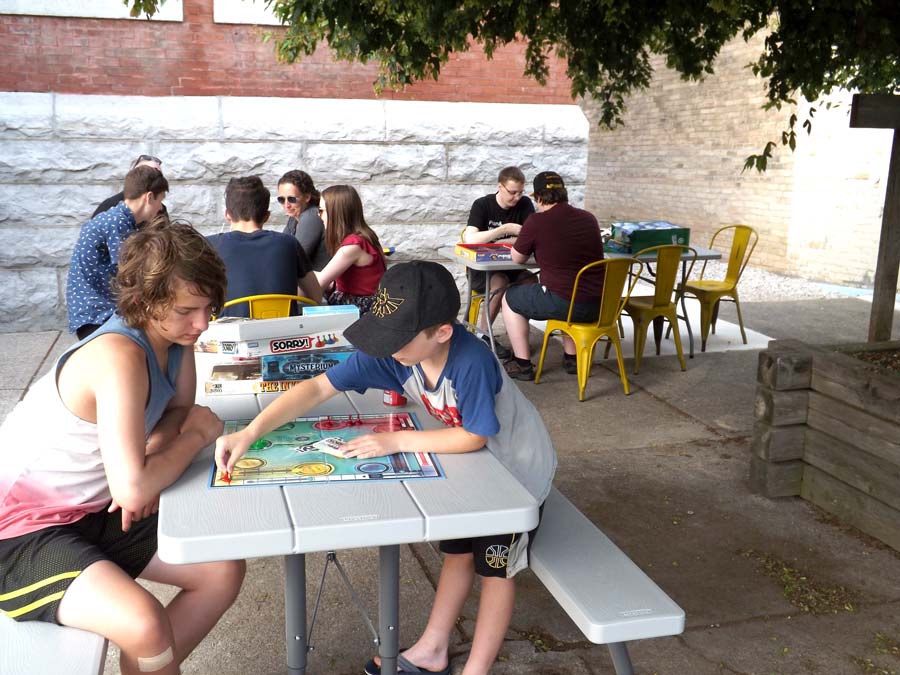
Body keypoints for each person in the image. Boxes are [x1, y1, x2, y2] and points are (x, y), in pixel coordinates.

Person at [215, 261, 557, 675]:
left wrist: (395, 441)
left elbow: (474, 436)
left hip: (516, 474)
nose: (384, 347)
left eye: (396, 338)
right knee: (457, 552)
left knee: (495, 569)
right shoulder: (396, 354)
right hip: (475, 468)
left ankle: (476, 669)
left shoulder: (472, 362)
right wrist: (249, 433)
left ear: (442, 333)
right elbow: (317, 387)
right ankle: (433, 648)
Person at [0, 222, 246, 675]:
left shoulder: (173, 338)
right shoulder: (119, 356)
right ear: (145, 303)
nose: (204, 323)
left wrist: (150, 461)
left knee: (221, 569)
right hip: (17, 534)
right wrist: (190, 441)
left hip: (91, 510)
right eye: (189, 310)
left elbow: (177, 410)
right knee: (144, 621)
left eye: (210, 307)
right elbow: (178, 437)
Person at [500, 171, 606, 381]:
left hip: (565, 304)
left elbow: (517, 258)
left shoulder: (536, 221)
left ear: (538, 197)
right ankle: (571, 359)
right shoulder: (589, 218)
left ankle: (522, 364)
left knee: (510, 298)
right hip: (600, 305)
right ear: (563, 193)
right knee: (564, 286)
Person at [67, 165, 169, 339]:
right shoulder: (118, 222)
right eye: (160, 200)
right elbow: (128, 272)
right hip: (96, 313)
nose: (160, 208)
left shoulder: (117, 217)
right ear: (149, 197)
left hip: (93, 310)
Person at [207, 176, 323, 318]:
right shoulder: (289, 243)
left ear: (227, 215)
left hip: (230, 335)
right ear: (267, 216)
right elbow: (316, 296)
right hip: (283, 334)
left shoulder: (210, 246)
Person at [462, 166, 536, 359]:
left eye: (520, 192)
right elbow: (471, 239)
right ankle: (483, 336)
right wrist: (504, 230)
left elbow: (530, 238)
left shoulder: (525, 204)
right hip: (483, 271)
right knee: (500, 280)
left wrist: (494, 241)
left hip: (514, 266)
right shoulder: (482, 205)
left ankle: (518, 338)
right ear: (500, 187)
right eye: (512, 192)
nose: (517, 198)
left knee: (530, 281)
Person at [315, 184, 386, 314]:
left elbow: (317, 286)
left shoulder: (353, 245)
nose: (319, 216)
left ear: (335, 212)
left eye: (321, 211)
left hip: (358, 311)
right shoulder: (365, 236)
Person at [277, 169, 330, 271]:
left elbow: (292, 258)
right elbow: (281, 249)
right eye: (281, 199)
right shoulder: (294, 218)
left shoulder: (311, 216)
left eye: (292, 199)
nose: (286, 205)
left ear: (307, 197)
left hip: (317, 284)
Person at [92, 154, 166, 218]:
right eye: (145, 173)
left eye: (158, 176)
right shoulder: (110, 206)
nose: (153, 179)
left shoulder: (159, 209)